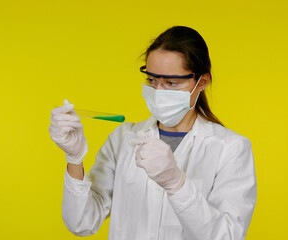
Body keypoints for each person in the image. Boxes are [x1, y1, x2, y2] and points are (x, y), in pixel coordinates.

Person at [49, 26, 257, 240]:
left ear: (201, 82)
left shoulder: (230, 148)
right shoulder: (122, 139)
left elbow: (227, 236)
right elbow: (81, 222)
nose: (158, 92)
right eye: (151, 80)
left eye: (171, 83)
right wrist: (74, 159)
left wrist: (177, 184)